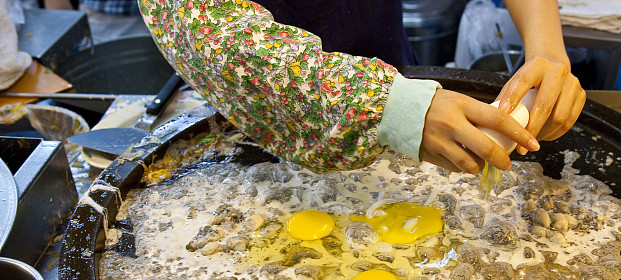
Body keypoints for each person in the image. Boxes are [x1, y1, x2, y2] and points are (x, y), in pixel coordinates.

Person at [136, 0, 584, 175]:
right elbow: (208, 30)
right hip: (263, 114)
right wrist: (394, 108)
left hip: (400, 78)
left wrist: (546, 48)